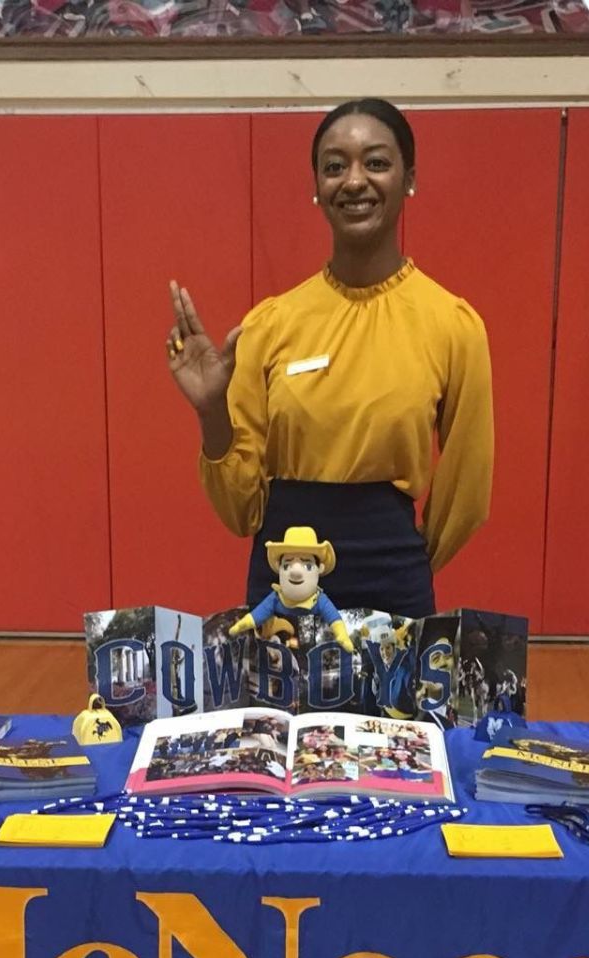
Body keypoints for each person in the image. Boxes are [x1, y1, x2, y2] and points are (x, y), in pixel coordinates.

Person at [165, 97, 494, 618]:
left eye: (377, 162)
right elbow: (241, 510)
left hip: (395, 579)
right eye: (335, 166)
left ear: (409, 179)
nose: (355, 181)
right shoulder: (270, 325)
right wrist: (210, 412)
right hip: (283, 579)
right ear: (316, 188)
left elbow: (467, 488)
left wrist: (407, 559)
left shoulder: (452, 325)